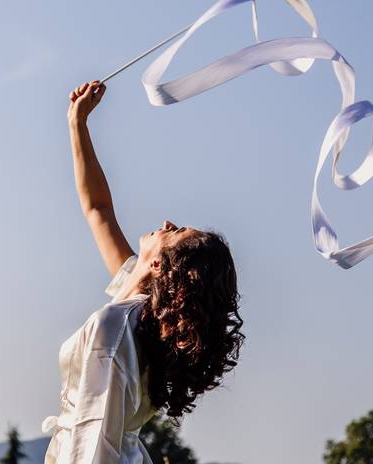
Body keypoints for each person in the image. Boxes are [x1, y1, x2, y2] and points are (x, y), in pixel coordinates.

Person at [42, 80, 245, 464]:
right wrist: (77, 123)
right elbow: (98, 209)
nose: (167, 222)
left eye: (176, 233)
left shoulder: (116, 326)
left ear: (159, 266)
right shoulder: (142, 313)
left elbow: (93, 442)